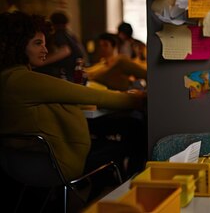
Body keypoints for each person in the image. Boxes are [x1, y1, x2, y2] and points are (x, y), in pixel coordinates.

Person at [0, 11, 146, 182]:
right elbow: (89, 95)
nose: (45, 50)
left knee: (121, 129)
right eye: (37, 43)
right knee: (132, 135)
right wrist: (138, 100)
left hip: (17, 160)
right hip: (58, 162)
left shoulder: (7, 78)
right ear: (18, 45)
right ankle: (124, 191)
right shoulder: (24, 80)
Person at [35, 11, 88, 80]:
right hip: (76, 74)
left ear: (52, 23)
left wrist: (42, 62)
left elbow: (65, 50)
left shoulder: (59, 34)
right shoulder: (71, 36)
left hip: (67, 76)